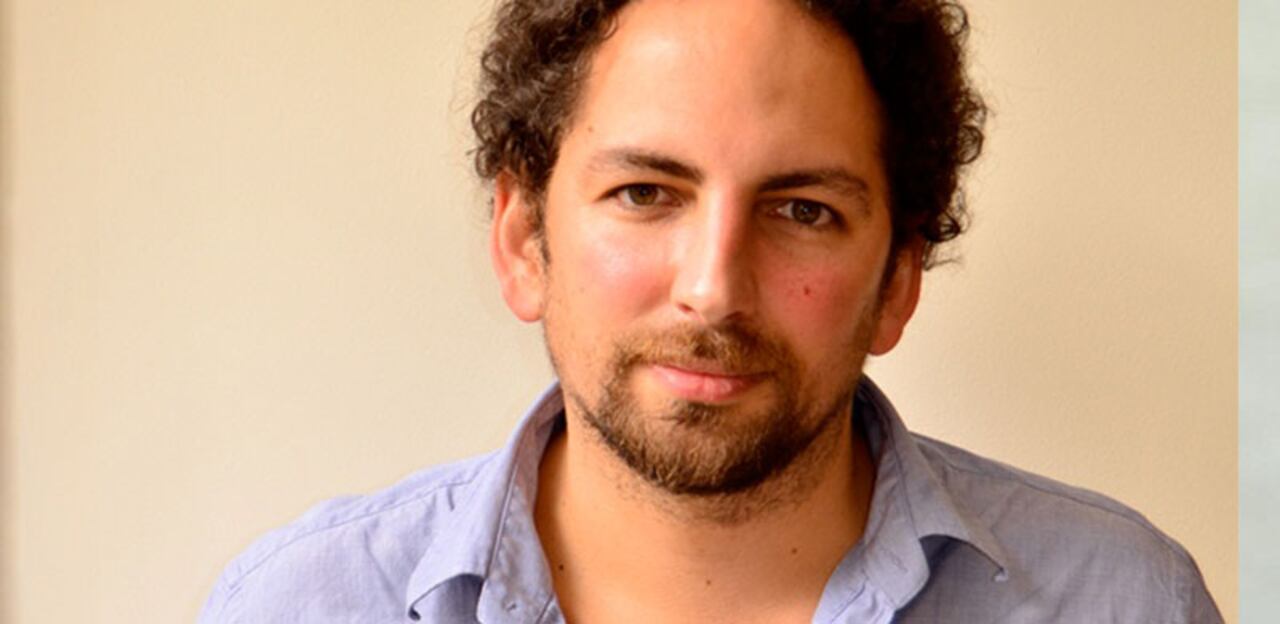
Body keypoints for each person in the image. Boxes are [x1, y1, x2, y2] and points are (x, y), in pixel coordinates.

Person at [200, 0, 1224, 622]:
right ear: (522, 240)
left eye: (803, 210)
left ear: (898, 282)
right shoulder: (300, 607)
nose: (714, 287)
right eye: (645, 192)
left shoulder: (1124, 603)